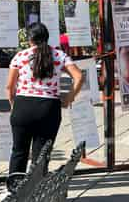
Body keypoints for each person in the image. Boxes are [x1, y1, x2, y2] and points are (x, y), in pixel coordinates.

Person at [5, 23, 83, 179]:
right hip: (49, 107)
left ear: (30, 39)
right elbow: (79, 76)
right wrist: (68, 98)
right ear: (47, 37)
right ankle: (36, 189)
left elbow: (9, 87)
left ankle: (13, 189)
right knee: (41, 155)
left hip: (23, 105)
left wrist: (14, 106)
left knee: (19, 151)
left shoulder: (20, 56)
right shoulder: (59, 55)